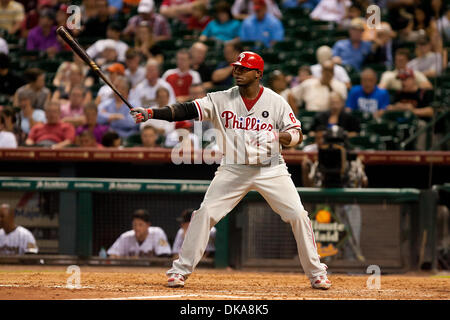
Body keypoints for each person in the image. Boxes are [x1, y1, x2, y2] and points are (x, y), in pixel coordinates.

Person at [130, 51, 332, 290]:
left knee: (298, 215)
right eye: (236, 68)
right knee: (205, 213)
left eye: (243, 69)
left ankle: (317, 273)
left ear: (258, 74)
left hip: (271, 169)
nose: (237, 72)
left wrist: (278, 135)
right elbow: (185, 110)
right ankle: (180, 271)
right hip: (233, 168)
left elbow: (297, 135)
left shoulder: (276, 101)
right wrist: (152, 113)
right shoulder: (220, 99)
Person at [387, 68, 434, 150]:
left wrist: (412, 111)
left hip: (418, 123)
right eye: (401, 80)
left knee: (421, 125)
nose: (402, 82)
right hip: (401, 123)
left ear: (413, 79)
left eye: (405, 79)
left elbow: (430, 111)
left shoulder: (422, 93)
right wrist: (396, 108)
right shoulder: (399, 93)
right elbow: (389, 108)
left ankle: (420, 152)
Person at [107, 209, 171, 258]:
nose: (137, 228)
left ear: (148, 225)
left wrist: (141, 259)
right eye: (135, 225)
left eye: (140, 225)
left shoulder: (158, 233)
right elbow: (111, 255)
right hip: (130, 272)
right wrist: (129, 259)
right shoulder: (125, 237)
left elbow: (165, 256)